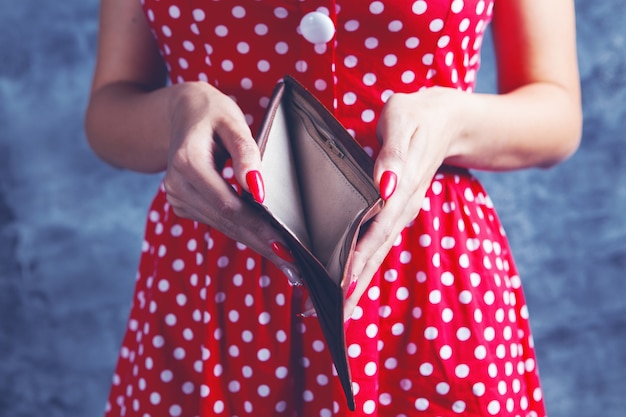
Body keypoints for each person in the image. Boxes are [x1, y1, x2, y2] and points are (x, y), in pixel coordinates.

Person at [85, 0, 582, 416]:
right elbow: (109, 111)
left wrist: (450, 119)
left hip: (428, 279)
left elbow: (556, 111)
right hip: (212, 279)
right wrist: (177, 113)